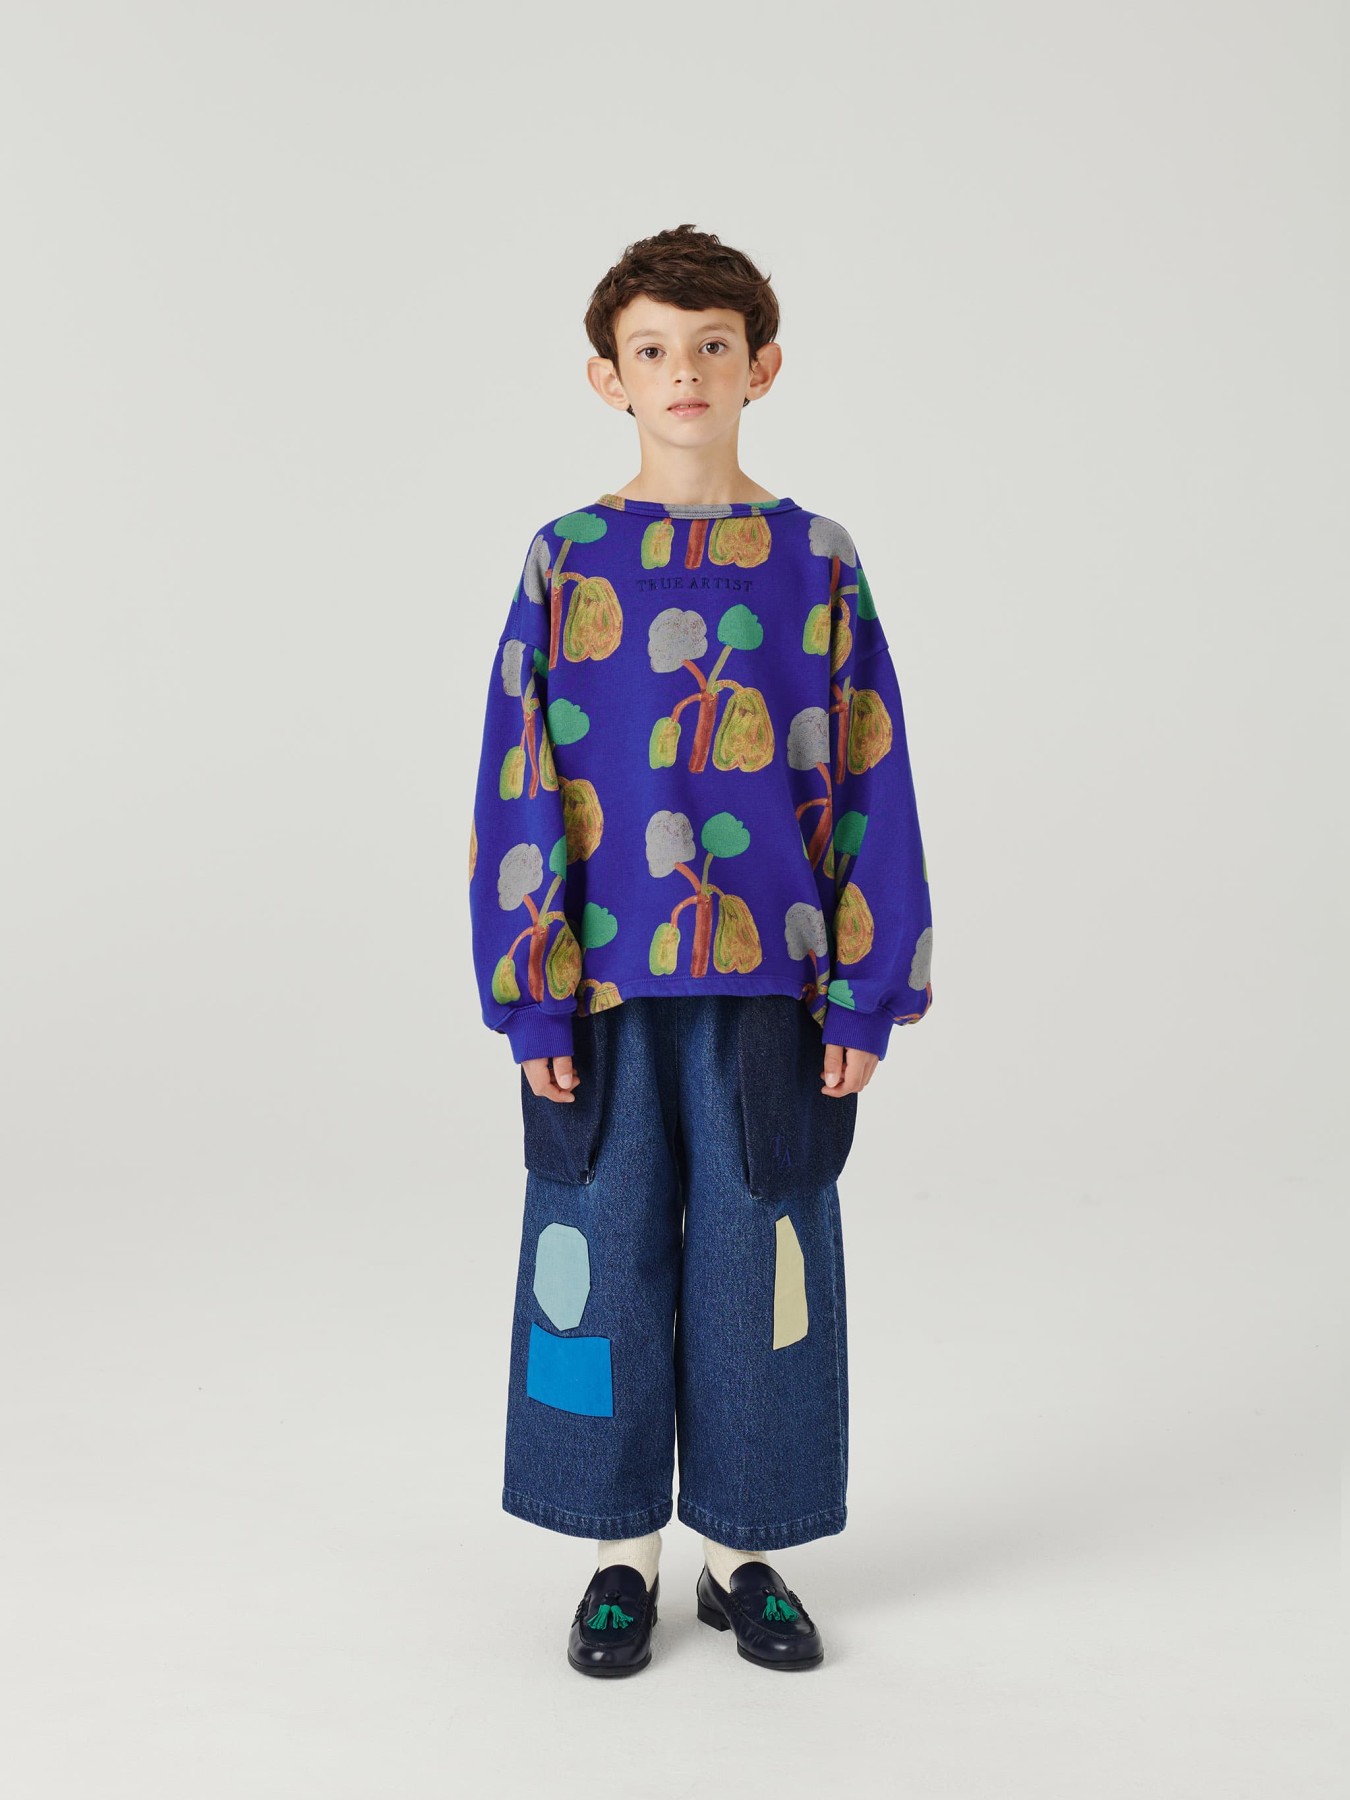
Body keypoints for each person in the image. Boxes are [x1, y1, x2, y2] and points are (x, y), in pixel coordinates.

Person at [467, 223, 934, 1676]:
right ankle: (619, 1551)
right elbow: (517, 779)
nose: (685, 373)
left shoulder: (815, 561)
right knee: (594, 1263)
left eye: (712, 347)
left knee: (763, 1269)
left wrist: (864, 989)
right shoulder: (567, 560)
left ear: (762, 368)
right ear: (607, 377)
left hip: (772, 990)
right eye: (654, 350)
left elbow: (871, 770)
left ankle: (747, 1548)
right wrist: (532, 1001)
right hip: (603, 990)